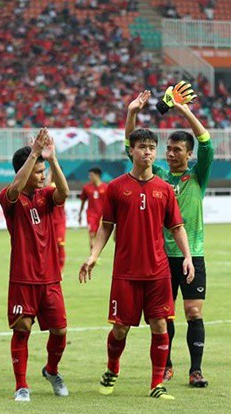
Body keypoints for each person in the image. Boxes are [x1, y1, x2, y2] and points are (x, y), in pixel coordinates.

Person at [79, 128, 195, 400]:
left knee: (160, 326)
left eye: (152, 147)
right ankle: (112, 369)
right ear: (131, 150)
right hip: (126, 273)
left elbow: (177, 227)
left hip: (157, 271)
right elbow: (106, 226)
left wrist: (188, 257)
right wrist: (94, 255)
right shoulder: (117, 187)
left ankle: (157, 384)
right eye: (142, 146)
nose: (148, 152)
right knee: (120, 328)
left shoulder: (165, 189)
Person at [125, 85, 213, 387]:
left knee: (193, 311)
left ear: (189, 154)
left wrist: (182, 109)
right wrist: (132, 114)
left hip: (193, 255)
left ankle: (196, 370)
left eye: (178, 150)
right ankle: (167, 365)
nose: (172, 154)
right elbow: (130, 146)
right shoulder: (159, 175)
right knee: (162, 315)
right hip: (161, 256)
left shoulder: (198, 175)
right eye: (169, 150)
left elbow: (207, 142)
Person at [0, 128, 71, 402]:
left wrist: (51, 159)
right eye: (39, 171)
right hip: (22, 278)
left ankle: (52, 371)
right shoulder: (9, 197)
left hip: (50, 278)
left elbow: (64, 191)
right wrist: (34, 155)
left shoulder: (47, 197)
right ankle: (21, 385)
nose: (43, 176)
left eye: (44, 171)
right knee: (23, 328)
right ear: (26, 171)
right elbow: (16, 188)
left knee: (60, 331)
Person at [78, 167, 108, 253]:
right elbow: (83, 201)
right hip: (91, 215)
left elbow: (109, 203)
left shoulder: (106, 187)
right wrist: (80, 214)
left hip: (102, 215)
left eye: (91, 175)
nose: (89, 177)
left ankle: (96, 253)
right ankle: (92, 255)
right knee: (92, 234)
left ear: (97, 175)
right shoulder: (87, 187)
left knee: (100, 236)